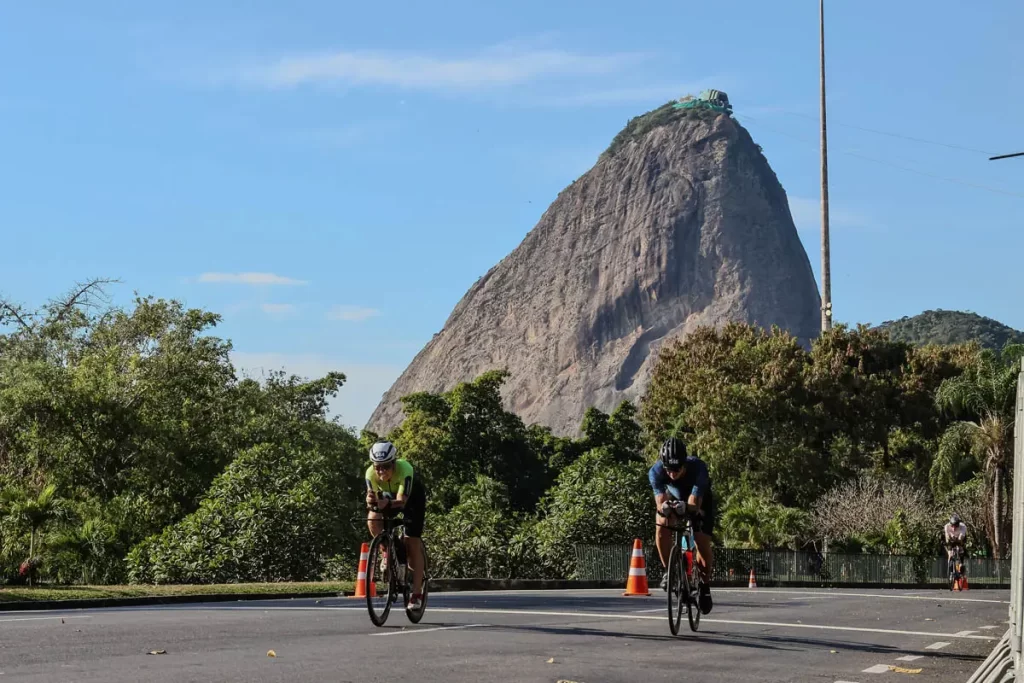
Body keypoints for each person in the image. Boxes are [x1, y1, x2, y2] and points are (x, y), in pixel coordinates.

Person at [649, 436, 715, 614]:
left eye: (677, 469)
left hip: (700, 501)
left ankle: (704, 585)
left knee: (701, 540)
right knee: (661, 523)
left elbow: (694, 503)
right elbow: (660, 501)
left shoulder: (698, 468)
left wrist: (687, 508)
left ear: (684, 464)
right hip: (675, 498)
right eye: (669, 469)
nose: (672, 474)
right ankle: (669, 571)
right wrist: (665, 508)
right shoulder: (655, 472)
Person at [365, 441, 427, 610]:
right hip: (389, 496)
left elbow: (401, 501)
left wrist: (385, 502)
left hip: (411, 499)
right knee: (373, 518)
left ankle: (416, 594)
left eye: (385, 467)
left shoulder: (404, 469)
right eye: (377, 467)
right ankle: (387, 550)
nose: (381, 471)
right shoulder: (370, 474)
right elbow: (372, 500)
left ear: (393, 463)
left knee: (411, 542)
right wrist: (372, 502)